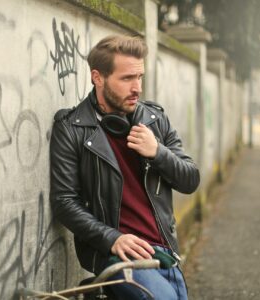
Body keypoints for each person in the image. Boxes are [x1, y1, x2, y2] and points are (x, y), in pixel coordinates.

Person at [50, 35, 200, 300]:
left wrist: (158, 153)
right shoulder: (71, 128)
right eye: (127, 78)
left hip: (165, 251)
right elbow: (64, 201)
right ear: (98, 78)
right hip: (116, 252)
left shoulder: (154, 120)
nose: (137, 88)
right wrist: (112, 238)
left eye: (140, 77)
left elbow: (190, 180)